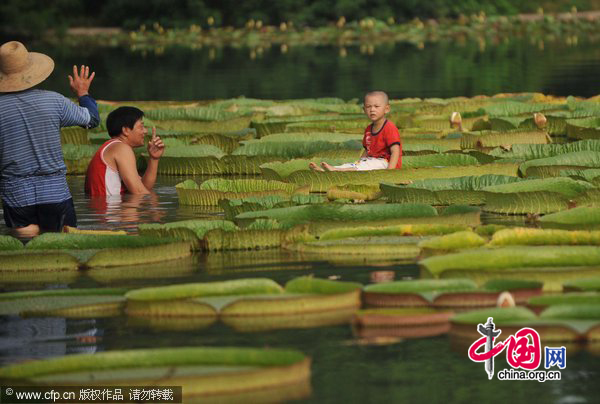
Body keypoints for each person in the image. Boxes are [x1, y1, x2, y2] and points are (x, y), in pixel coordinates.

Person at [0, 41, 100, 238]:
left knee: (26, 248)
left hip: (16, 195)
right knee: (63, 245)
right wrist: (83, 93)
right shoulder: (54, 101)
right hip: (55, 193)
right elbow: (92, 119)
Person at [309, 91, 402, 171]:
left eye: (376, 106)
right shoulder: (368, 129)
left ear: (386, 109)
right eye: (368, 107)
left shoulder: (389, 128)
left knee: (363, 166)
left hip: (385, 163)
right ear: (364, 110)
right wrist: (359, 162)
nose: (372, 110)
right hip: (370, 161)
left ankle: (336, 170)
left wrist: (390, 172)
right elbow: (367, 151)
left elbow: (395, 151)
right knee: (352, 165)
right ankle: (328, 170)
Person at [84, 106, 165, 195]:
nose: (145, 131)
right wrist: (157, 207)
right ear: (125, 130)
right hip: (109, 208)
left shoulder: (113, 146)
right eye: (141, 127)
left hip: (107, 206)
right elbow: (139, 191)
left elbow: (143, 187)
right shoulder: (121, 148)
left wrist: (154, 159)